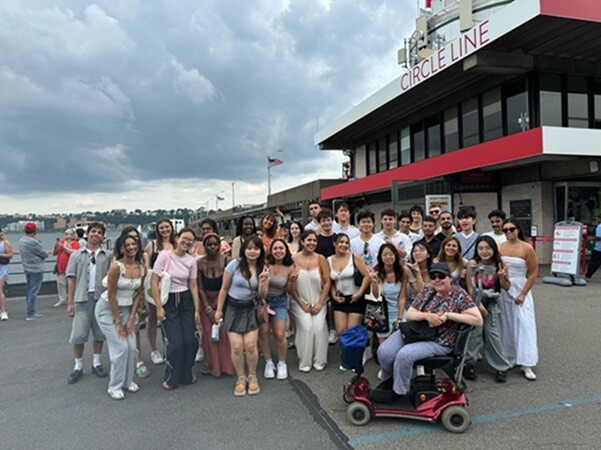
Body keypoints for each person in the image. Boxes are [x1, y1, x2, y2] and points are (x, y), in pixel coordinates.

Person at [373, 262, 482, 403]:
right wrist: (426, 316)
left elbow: (478, 320)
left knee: (404, 355)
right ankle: (390, 379)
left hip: (439, 340)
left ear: (450, 278)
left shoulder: (459, 294)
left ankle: (398, 392)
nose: (437, 279)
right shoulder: (428, 290)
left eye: (441, 276)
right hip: (416, 332)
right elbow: (411, 314)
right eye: (433, 276)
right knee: (384, 351)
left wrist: (448, 315)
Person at [214, 235, 269, 396]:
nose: (252, 252)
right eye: (249, 248)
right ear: (244, 250)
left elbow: (263, 295)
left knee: (251, 346)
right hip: (233, 308)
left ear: (261, 251)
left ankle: (252, 376)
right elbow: (224, 289)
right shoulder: (234, 265)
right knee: (237, 347)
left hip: (251, 308)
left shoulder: (263, 268)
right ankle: (241, 377)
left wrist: (263, 281)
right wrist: (218, 310)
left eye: (256, 248)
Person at [94, 235, 145, 400]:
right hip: (107, 310)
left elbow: (139, 294)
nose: (130, 247)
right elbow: (111, 295)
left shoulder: (141, 267)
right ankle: (114, 386)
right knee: (120, 348)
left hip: (126, 310)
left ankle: (127, 381)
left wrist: (131, 318)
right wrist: (117, 323)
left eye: (133, 244)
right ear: (121, 248)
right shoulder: (116, 266)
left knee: (131, 348)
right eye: (127, 245)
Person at [152, 228, 202, 390]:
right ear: (177, 238)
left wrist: (196, 309)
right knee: (175, 343)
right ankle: (172, 376)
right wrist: (159, 307)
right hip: (169, 300)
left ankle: (186, 372)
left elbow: (193, 285)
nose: (186, 242)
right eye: (184, 238)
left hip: (186, 300)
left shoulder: (191, 261)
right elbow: (154, 281)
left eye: (190, 240)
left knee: (191, 341)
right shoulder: (164, 256)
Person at [66, 222, 111, 384]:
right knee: (78, 334)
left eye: (99, 232)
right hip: (81, 298)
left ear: (102, 236)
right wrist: (70, 302)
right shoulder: (76, 255)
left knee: (99, 333)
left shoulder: (107, 255)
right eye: (93, 231)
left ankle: (97, 362)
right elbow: (71, 279)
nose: (96, 235)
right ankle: (78, 366)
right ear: (88, 234)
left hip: (101, 298)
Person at [464, 236, 512, 383]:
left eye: (487, 248)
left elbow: (506, 287)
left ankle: (501, 367)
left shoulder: (500, 264)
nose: (484, 251)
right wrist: (478, 306)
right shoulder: (473, 264)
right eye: (481, 248)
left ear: (493, 249)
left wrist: (502, 277)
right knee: (475, 332)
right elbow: (470, 288)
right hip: (475, 301)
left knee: (491, 332)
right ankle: (467, 363)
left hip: (492, 301)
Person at [498, 219, 539, 381]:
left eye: (511, 229)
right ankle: (509, 356)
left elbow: (533, 273)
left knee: (524, 323)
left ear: (518, 229)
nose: (508, 232)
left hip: (521, 286)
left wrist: (523, 293)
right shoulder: (500, 246)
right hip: (504, 287)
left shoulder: (527, 248)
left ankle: (527, 362)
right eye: (505, 230)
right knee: (505, 322)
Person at [289, 230, 331, 372]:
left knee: (319, 327)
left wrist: (320, 303)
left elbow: (327, 283)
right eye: (309, 240)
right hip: (299, 301)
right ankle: (304, 360)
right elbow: (290, 288)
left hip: (319, 300)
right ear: (302, 241)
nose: (312, 243)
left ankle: (320, 360)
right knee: (307, 327)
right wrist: (302, 304)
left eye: (314, 240)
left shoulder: (321, 259)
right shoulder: (293, 259)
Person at [197, 233, 236, 377]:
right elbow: (200, 288)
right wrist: (208, 309)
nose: (212, 247)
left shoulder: (227, 261)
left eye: (215, 244)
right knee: (208, 333)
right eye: (209, 244)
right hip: (206, 300)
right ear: (204, 246)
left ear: (219, 246)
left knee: (225, 333)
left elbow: (231, 285)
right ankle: (212, 365)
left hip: (225, 300)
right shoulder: (199, 263)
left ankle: (227, 365)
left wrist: (220, 307)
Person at [259, 238, 296, 380]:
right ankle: (269, 362)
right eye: (275, 248)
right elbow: (261, 290)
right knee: (263, 333)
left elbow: (290, 291)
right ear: (270, 250)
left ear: (286, 250)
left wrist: (292, 280)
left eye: (281, 248)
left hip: (280, 301)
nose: (278, 251)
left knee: (280, 334)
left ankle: (282, 363)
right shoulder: (265, 264)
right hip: (263, 301)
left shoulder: (290, 266)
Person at [328, 234, 370, 358]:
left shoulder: (354, 257)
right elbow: (330, 281)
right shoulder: (329, 260)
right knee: (341, 331)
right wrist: (333, 295)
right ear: (335, 244)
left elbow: (367, 276)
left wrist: (360, 293)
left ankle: (356, 356)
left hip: (355, 298)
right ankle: (345, 356)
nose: (344, 245)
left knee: (352, 331)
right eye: (341, 242)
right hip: (339, 299)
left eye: (346, 243)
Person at [144, 218, 177, 366]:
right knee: (152, 317)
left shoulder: (177, 244)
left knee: (171, 318)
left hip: (174, 286)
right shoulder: (151, 245)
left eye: (167, 227)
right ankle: (154, 350)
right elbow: (146, 266)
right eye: (161, 228)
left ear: (171, 228)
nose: (165, 230)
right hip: (156, 287)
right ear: (157, 230)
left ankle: (171, 347)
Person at [120, 226, 151, 378]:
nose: (133, 243)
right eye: (129, 238)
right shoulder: (117, 259)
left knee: (136, 330)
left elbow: (146, 275)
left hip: (138, 295)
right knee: (123, 330)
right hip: (122, 297)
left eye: (136, 239)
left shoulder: (143, 255)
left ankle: (138, 360)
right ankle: (126, 358)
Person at [370, 243, 408, 343]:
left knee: (400, 343)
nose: (388, 257)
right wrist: (374, 283)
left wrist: (400, 319)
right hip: (381, 315)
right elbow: (375, 296)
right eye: (385, 255)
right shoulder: (376, 272)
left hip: (398, 312)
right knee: (383, 348)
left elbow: (402, 297)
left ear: (395, 256)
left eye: (391, 254)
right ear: (380, 257)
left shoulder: (402, 273)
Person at [19, 222, 49, 320]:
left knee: (29, 289)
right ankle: (31, 313)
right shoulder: (34, 242)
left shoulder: (21, 241)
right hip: (36, 269)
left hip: (27, 267)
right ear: (35, 231)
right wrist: (39, 242)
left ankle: (30, 309)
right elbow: (44, 254)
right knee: (34, 291)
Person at [53, 229, 80, 307]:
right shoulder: (61, 242)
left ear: (72, 235)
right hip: (60, 267)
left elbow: (74, 252)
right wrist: (55, 246)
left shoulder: (75, 243)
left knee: (71, 284)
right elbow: (54, 253)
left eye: (67, 233)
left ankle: (73, 299)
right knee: (61, 283)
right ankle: (62, 299)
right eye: (65, 233)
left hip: (70, 267)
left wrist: (64, 247)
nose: (66, 235)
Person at [0, 229, 14, 321]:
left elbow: (10, 254)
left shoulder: (5, 242)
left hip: (2, 267)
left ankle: (3, 311)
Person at [585, 214, 601, 280]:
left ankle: (588, 276)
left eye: (598, 218)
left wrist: (591, 238)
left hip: (599, 248)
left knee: (594, 263)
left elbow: (599, 238)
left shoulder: (600, 226)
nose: (597, 220)